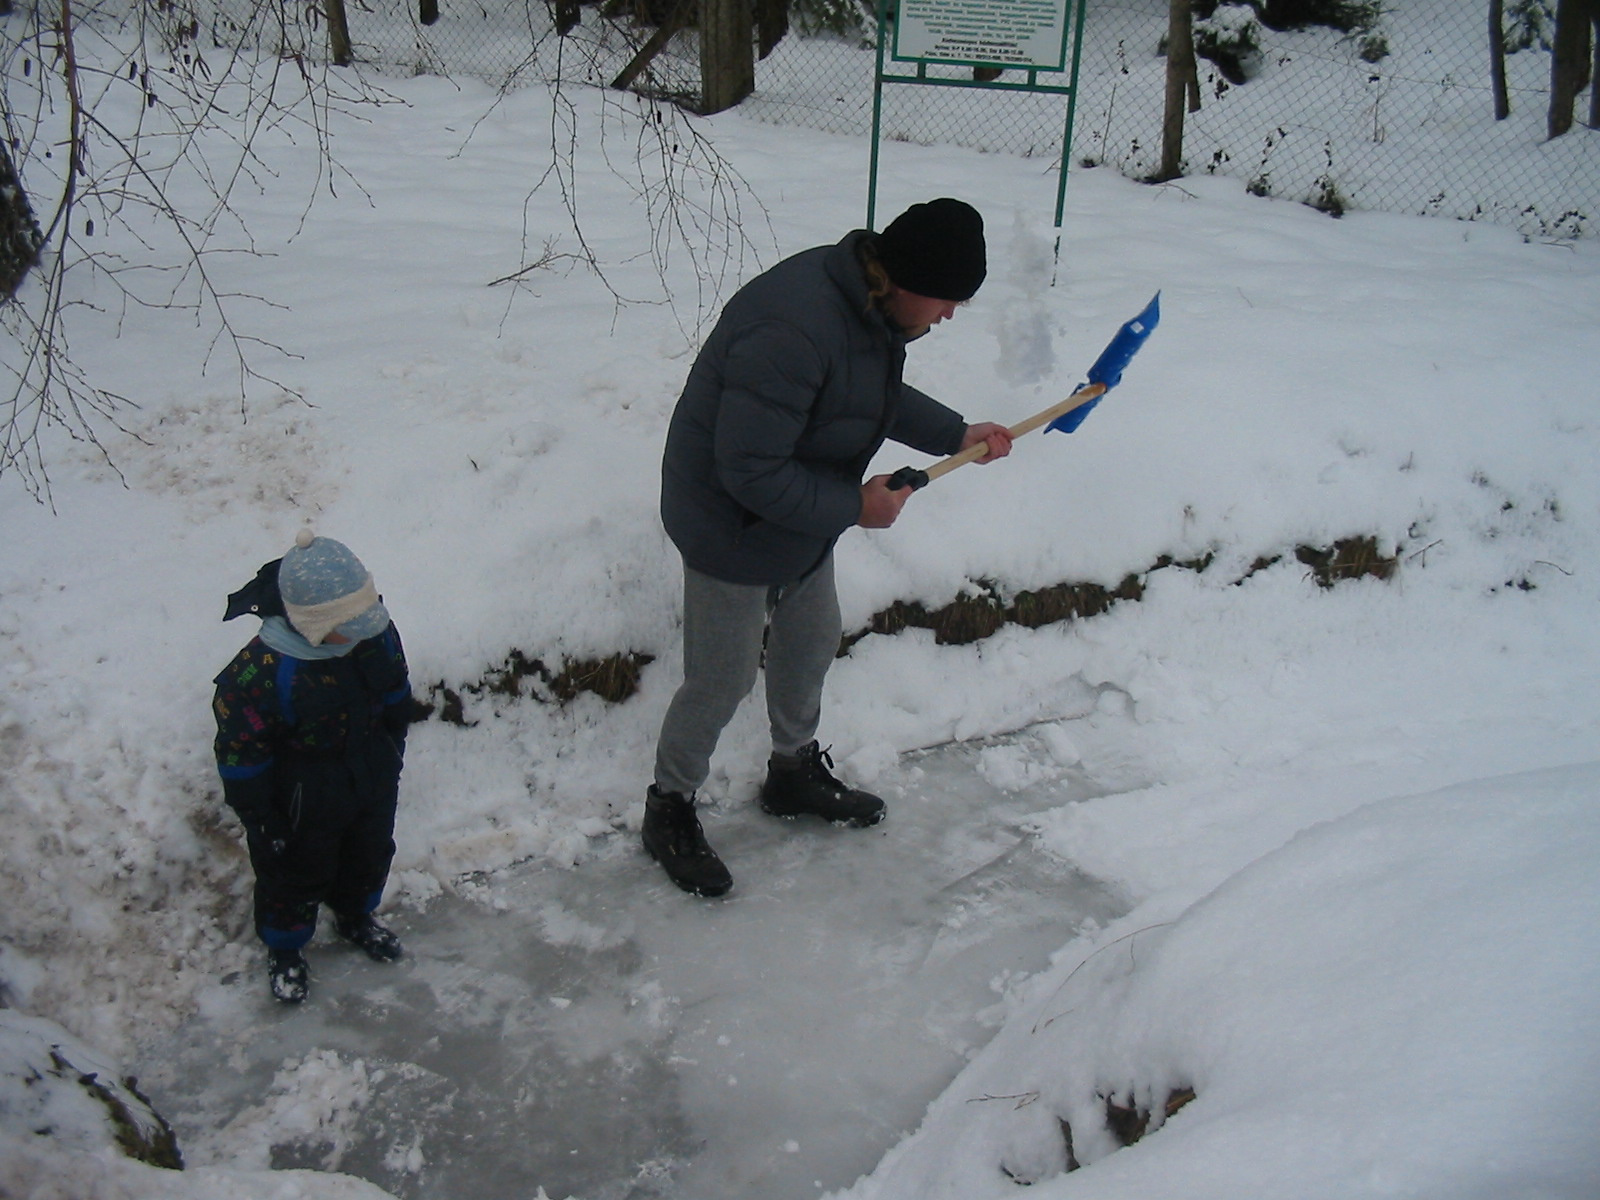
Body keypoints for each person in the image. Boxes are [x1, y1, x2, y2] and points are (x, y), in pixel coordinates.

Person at [644, 197, 1014, 898]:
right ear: (906, 277)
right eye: (947, 298)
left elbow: (869, 394)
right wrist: (855, 506)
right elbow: (747, 470)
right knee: (722, 676)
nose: (950, 315)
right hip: (731, 518)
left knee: (810, 639)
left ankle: (791, 773)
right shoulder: (795, 326)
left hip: (800, 502)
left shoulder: (867, 306)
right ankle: (667, 804)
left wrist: (955, 433)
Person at [212, 529, 414, 1003]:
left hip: (369, 770)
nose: (366, 630)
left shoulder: (370, 630)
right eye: (352, 624)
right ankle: (285, 948)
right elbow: (241, 750)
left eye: (368, 617)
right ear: (312, 624)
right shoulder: (261, 670)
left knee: (369, 852)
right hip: (303, 790)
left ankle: (356, 916)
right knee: (294, 872)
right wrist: (262, 819)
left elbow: (394, 689)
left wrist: (391, 750)